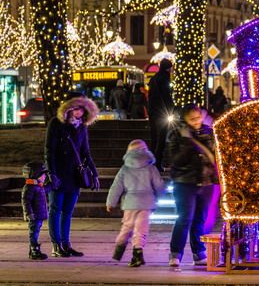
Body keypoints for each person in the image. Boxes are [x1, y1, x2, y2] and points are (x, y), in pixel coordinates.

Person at [45, 96, 100, 257]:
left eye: (82, 109)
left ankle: (66, 244)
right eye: (77, 108)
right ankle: (56, 245)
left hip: (74, 175)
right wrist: (51, 173)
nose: (79, 112)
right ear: (69, 108)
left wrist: (94, 173)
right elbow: (50, 151)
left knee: (67, 211)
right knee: (56, 209)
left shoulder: (82, 127)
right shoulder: (56, 124)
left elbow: (85, 152)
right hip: (59, 173)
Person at [167, 105, 219, 267]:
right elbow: (175, 161)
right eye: (192, 119)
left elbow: (215, 154)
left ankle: (199, 252)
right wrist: (188, 142)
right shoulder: (177, 135)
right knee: (185, 218)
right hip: (185, 182)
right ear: (185, 119)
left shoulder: (208, 132)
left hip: (206, 182)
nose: (196, 122)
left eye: (198, 118)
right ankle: (176, 253)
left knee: (200, 219)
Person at [106, 139, 165, 267]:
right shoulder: (151, 168)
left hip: (130, 204)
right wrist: (160, 196)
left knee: (127, 227)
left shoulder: (125, 169)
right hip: (146, 203)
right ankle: (137, 254)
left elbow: (116, 186)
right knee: (141, 229)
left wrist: (110, 202)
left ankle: (119, 250)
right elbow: (159, 185)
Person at [148, 59, 174, 170]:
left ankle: (151, 161)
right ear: (168, 67)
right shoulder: (165, 78)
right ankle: (158, 163)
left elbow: (150, 96)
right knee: (162, 138)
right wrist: (172, 108)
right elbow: (166, 96)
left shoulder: (154, 78)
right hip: (163, 113)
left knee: (154, 138)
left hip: (153, 112)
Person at [21, 161, 49, 260]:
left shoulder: (37, 186)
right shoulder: (29, 187)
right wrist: (29, 213)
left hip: (38, 215)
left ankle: (33, 249)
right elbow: (25, 201)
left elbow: (44, 190)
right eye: (43, 174)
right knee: (34, 232)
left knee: (35, 231)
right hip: (34, 216)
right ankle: (34, 250)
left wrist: (52, 185)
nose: (45, 176)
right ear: (35, 174)